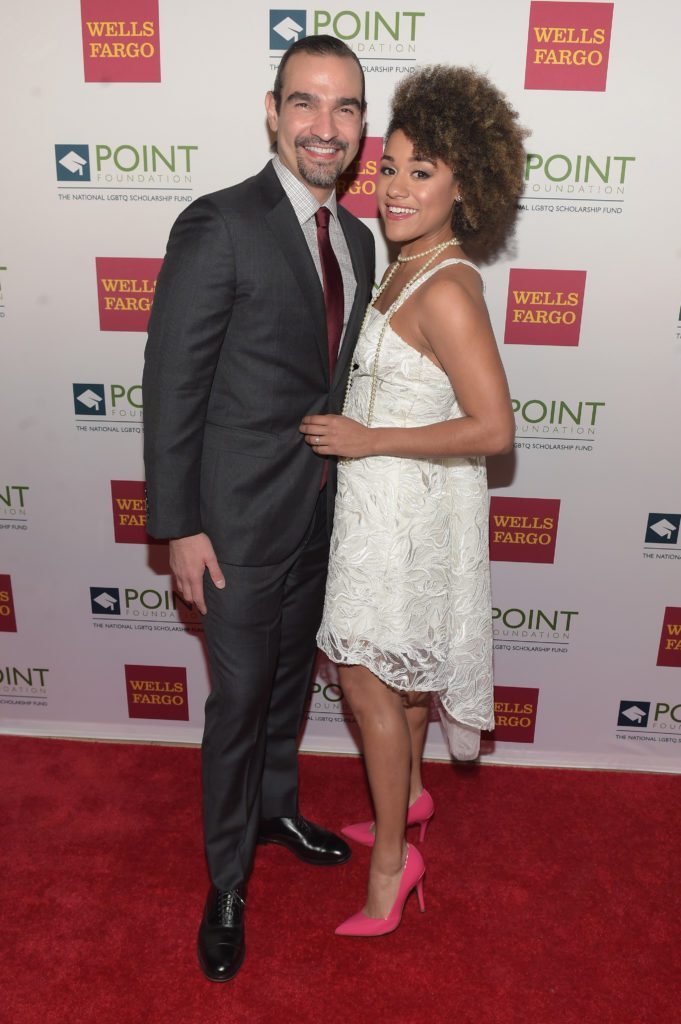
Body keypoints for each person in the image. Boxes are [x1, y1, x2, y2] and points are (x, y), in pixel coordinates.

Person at [142, 36, 375, 980]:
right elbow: (172, 386)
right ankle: (227, 876)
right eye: (307, 104)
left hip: (320, 514)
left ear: (363, 126)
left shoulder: (357, 239)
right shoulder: (219, 223)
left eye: (346, 107)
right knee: (239, 701)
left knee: (285, 685)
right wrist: (179, 527)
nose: (326, 126)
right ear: (272, 112)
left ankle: (276, 806)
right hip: (232, 522)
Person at [303, 65, 527, 936]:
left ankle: (393, 863)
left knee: (365, 681)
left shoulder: (444, 287)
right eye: (389, 166)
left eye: (421, 171)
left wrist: (367, 438)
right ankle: (415, 797)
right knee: (394, 685)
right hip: (383, 511)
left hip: (401, 517)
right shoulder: (403, 263)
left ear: (465, 185)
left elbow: (493, 430)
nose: (394, 186)